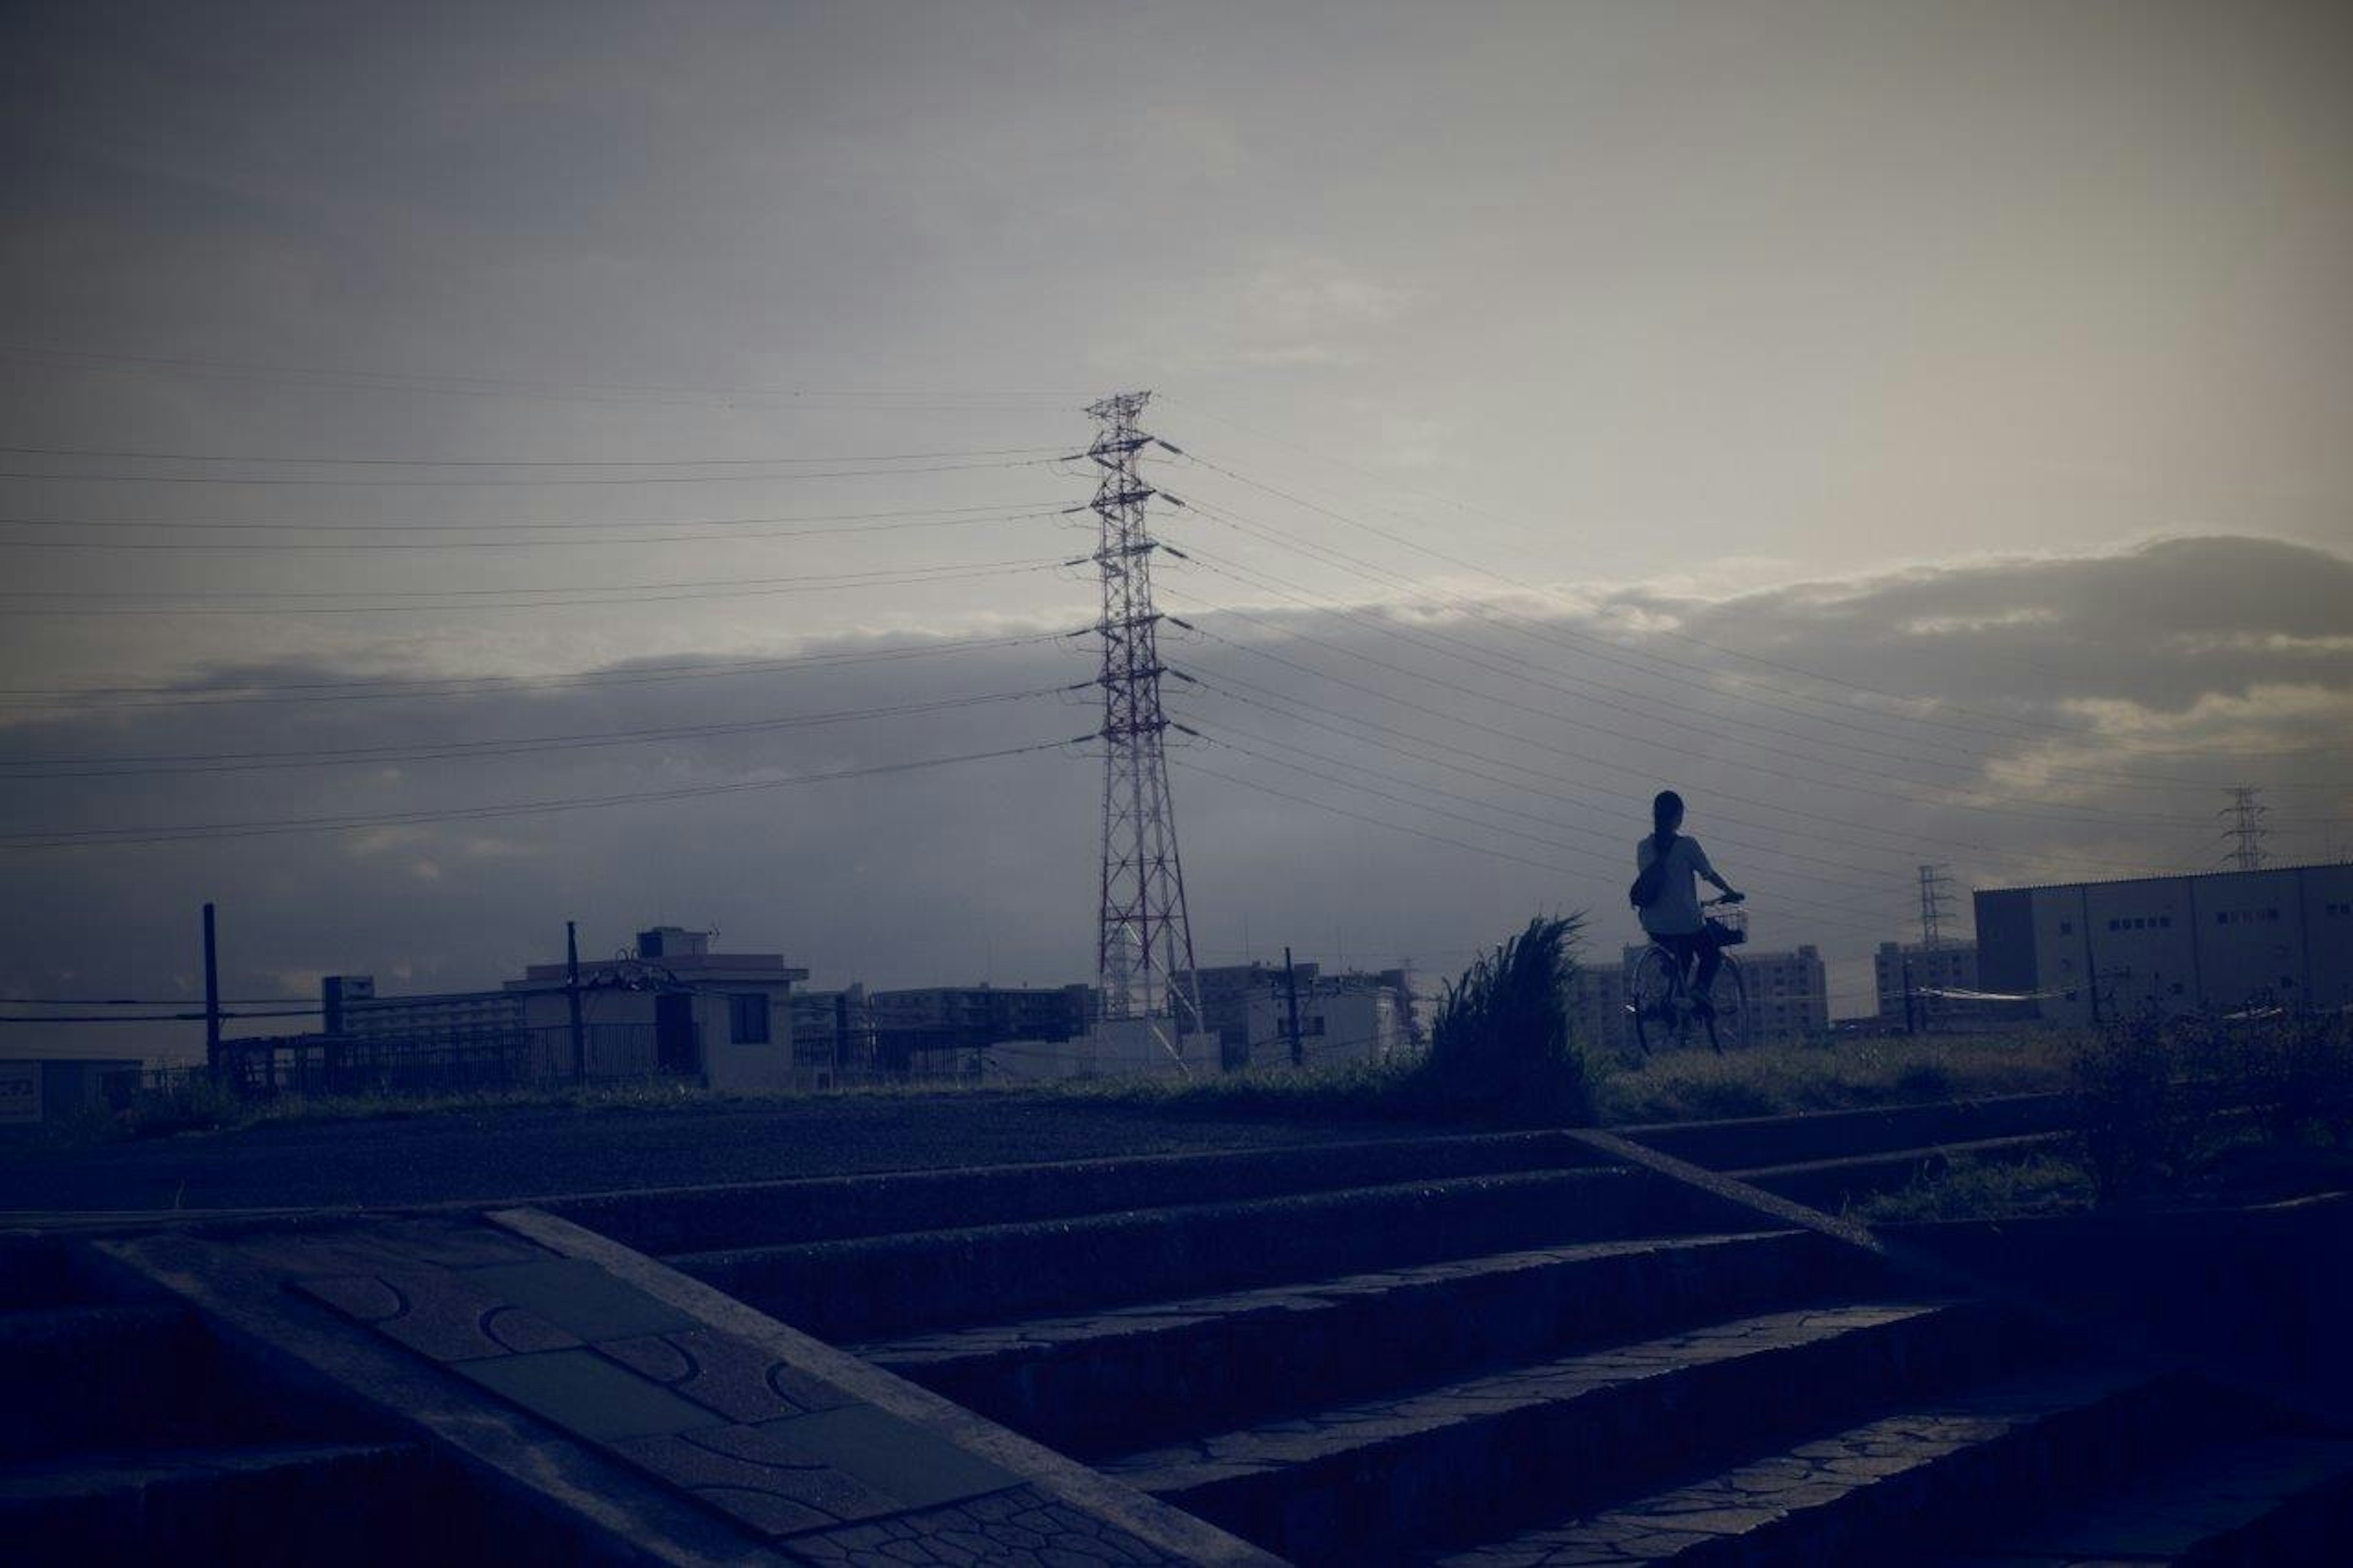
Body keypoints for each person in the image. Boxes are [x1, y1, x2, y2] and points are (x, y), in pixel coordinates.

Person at [1635, 789, 1743, 1014]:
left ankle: (1672, 1002)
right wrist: (1730, 891)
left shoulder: (1643, 847)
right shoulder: (1687, 846)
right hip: (1686, 922)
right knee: (1711, 953)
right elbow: (1709, 874)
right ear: (1678, 817)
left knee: (1683, 954)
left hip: (1654, 925)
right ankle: (1700, 991)